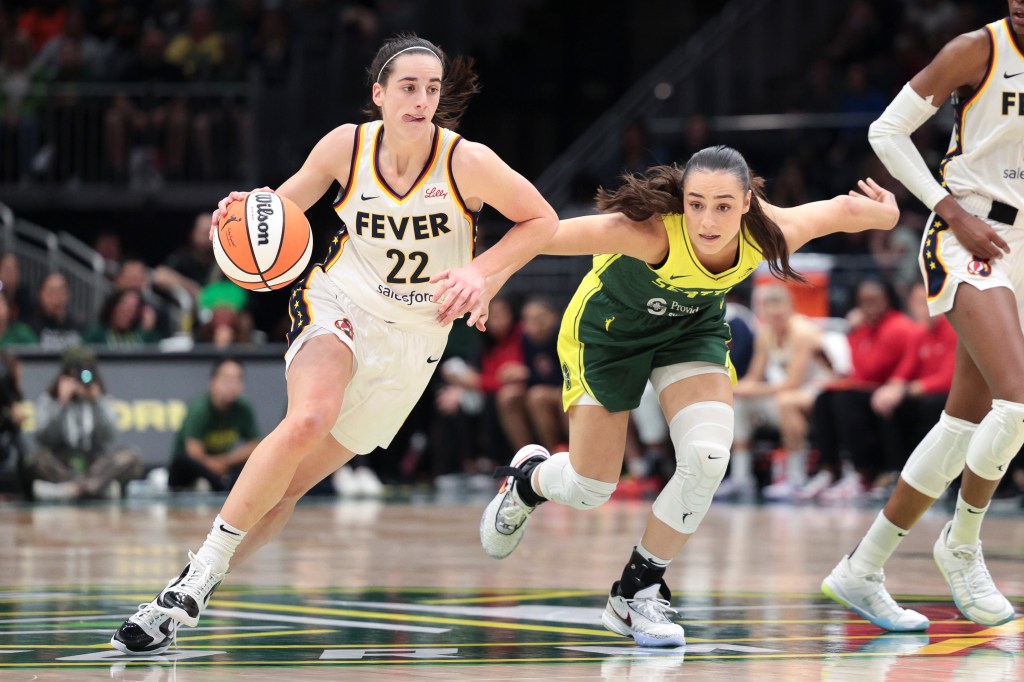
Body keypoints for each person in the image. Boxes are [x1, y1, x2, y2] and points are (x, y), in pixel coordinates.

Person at [110, 34, 557, 655]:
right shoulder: (346, 147)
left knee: (289, 488)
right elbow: (281, 208)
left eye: (432, 89)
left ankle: (195, 582)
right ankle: (199, 572)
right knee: (309, 417)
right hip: (338, 300)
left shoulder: (466, 162)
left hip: (417, 339)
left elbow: (542, 221)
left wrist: (482, 272)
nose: (422, 99)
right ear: (378, 94)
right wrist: (240, 213)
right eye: (408, 86)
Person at [479, 145, 898, 647]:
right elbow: (542, 233)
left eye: (723, 205)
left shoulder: (769, 232)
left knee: (707, 457)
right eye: (696, 203)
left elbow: (846, 211)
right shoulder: (649, 231)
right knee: (591, 488)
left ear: (747, 202)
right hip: (608, 335)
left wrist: (887, 211)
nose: (707, 219)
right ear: (683, 200)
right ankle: (528, 482)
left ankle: (636, 592)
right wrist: (482, 277)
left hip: (688, 332)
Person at [821, 2, 1024, 632]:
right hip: (969, 230)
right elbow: (886, 132)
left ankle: (863, 567)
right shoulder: (978, 48)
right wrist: (950, 209)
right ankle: (961, 544)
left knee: (963, 422)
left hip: (1020, 247)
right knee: (1017, 404)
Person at [720, 283, 832, 501]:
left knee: (785, 402)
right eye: (770, 315)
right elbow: (754, 376)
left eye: (779, 315)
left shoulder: (803, 333)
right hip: (786, 390)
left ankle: (796, 478)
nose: (775, 320)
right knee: (737, 403)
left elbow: (793, 382)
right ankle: (741, 477)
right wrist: (735, 389)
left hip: (821, 388)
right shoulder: (765, 333)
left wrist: (752, 389)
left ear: (790, 308)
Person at [26, 346, 143, 501]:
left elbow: (110, 435)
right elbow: (43, 438)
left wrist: (96, 403)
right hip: (63, 464)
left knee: (131, 456)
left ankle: (73, 490)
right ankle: (94, 490)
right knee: (34, 459)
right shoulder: (49, 400)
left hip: (94, 465)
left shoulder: (100, 399)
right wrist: (61, 404)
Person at [167, 358, 259, 492]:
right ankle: (215, 485)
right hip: (194, 467)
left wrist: (225, 461)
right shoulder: (199, 408)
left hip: (224, 464)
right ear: (213, 382)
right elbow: (193, 451)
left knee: (256, 461)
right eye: (227, 380)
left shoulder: (243, 407)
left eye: (237, 380)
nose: (232, 385)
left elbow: (254, 444)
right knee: (184, 461)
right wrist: (215, 465)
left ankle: (226, 485)